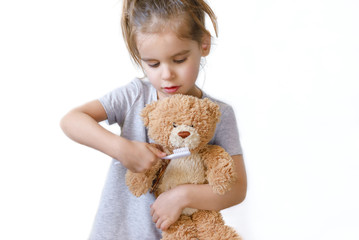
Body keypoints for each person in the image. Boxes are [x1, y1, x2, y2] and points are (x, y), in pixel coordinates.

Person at [60, 0, 247, 239]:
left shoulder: (217, 113)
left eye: (179, 60)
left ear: (204, 44)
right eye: (153, 64)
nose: (167, 74)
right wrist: (121, 149)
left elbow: (237, 188)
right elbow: (72, 120)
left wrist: (182, 196)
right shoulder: (134, 96)